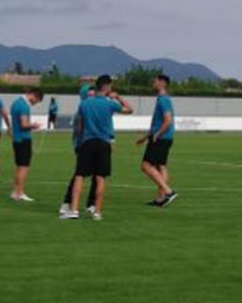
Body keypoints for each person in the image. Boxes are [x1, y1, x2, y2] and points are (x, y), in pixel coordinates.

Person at [68, 74, 133, 220]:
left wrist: (79, 142)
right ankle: (97, 211)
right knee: (100, 177)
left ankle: (74, 209)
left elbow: (80, 126)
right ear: (108, 87)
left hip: (87, 141)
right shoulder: (109, 103)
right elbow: (129, 110)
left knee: (80, 176)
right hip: (104, 143)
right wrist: (118, 97)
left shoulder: (85, 104)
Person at [136, 74, 177, 207]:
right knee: (161, 166)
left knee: (146, 165)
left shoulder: (163, 100)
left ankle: (168, 192)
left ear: (162, 83)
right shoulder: (162, 99)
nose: (153, 83)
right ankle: (161, 198)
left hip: (161, 138)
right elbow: (158, 122)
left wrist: (157, 134)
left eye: (155, 81)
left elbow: (167, 120)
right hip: (165, 137)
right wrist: (145, 138)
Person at [59, 82, 99, 218]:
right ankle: (67, 202)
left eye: (94, 94)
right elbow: (78, 131)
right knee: (80, 174)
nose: (92, 97)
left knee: (97, 175)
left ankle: (91, 204)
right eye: (90, 94)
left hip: (94, 144)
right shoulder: (81, 111)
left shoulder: (93, 109)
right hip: (83, 145)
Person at [9, 88, 44, 202]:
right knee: (24, 167)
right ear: (34, 96)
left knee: (19, 167)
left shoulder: (16, 102)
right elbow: (24, 124)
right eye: (36, 101)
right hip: (23, 139)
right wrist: (34, 125)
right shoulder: (24, 106)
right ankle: (20, 192)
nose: (34, 103)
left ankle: (15, 191)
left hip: (17, 139)